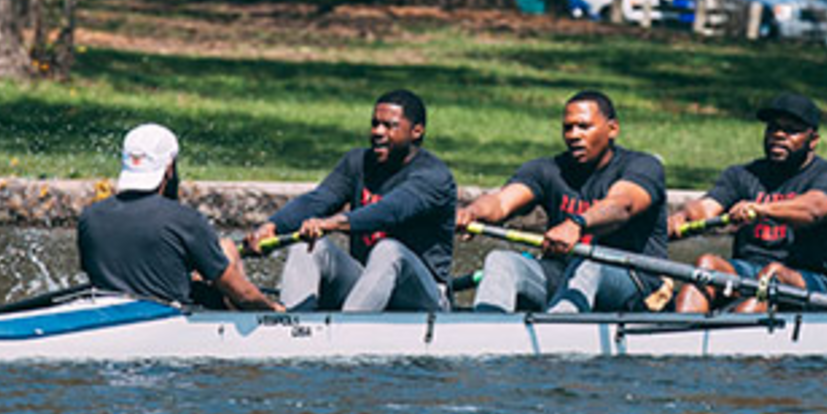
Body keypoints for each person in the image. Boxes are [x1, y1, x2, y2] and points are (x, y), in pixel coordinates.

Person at [243, 90, 457, 312]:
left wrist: (333, 223)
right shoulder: (357, 163)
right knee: (308, 246)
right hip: (367, 286)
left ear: (416, 131)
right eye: (375, 124)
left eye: (389, 126)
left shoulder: (434, 177)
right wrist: (272, 227)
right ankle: (292, 325)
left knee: (388, 250)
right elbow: (317, 201)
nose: (378, 132)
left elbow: (391, 211)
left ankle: (345, 329)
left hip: (424, 297)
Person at [455, 90, 668, 313]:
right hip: (562, 275)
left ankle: (557, 330)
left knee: (589, 261)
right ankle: (487, 328)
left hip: (632, 283)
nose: (574, 135)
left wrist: (577, 224)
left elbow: (622, 205)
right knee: (501, 261)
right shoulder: (547, 169)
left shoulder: (643, 167)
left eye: (584, 126)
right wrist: (473, 212)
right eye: (568, 128)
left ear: (612, 129)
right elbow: (501, 202)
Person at [666, 93, 827, 314]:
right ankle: (681, 332)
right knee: (706, 265)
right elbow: (706, 208)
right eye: (773, 128)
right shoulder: (743, 175)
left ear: (813, 140)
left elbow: (814, 209)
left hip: (812, 281)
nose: (779, 135)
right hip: (749, 270)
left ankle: (731, 331)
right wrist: (682, 218)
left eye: (791, 130)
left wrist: (761, 209)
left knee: (773, 274)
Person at [77, 123, 279, 310]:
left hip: (108, 314)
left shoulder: (90, 217)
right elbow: (243, 294)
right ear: (169, 168)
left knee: (217, 256)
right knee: (227, 248)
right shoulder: (185, 220)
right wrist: (275, 311)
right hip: (169, 319)